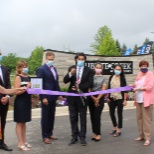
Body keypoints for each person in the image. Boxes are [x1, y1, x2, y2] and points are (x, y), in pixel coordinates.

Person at [63, 53, 93, 146]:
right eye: (79, 59)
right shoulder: (72, 68)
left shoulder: (89, 70)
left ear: (84, 60)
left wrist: (79, 87)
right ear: (76, 59)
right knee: (73, 117)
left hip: (82, 97)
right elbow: (65, 81)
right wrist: (70, 73)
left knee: (83, 118)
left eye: (82, 59)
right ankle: (74, 136)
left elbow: (90, 83)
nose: (80, 61)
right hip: (72, 97)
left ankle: (82, 137)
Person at [0, 54, 26, 152]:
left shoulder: (4, 69)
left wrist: (18, 89)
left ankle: (1, 142)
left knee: (2, 123)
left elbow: (4, 90)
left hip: (4, 101)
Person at [36, 51, 61, 144]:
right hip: (46, 97)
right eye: (49, 59)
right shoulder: (41, 69)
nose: (51, 61)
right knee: (45, 117)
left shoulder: (54, 68)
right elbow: (39, 85)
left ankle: (50, 133)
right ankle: (45, 136)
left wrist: (59, 94)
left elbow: (55, 82)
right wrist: (43, 97)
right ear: (46, 59)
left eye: (52, 59)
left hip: (53, 96)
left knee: (51, 116)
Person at [132, 60, 154, 146]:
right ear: (140, 67)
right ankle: (141, 135)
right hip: (138, 99)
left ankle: (147, 138)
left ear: (147, 67)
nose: (143, 67)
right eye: (142, 66)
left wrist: (139, 89)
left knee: (147, 120)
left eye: (145, 66)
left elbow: (149, 87)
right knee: (139, 119)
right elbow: (136, 84)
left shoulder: (150, 74)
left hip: (147, 100)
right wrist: (133, 86)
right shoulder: (139, 74)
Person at [14, 61, 32, 151]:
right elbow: (16, 92)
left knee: (24, 122)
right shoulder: (18, 77)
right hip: (20, 102)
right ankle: (20, 143)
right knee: (19, 122)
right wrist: (27, 88)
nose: (26, 68)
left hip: (27, 101)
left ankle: (24, 141)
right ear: (19, 68)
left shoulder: (28, 77)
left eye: (26, 66)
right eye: (24, 66)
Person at [106, 64, 127, 137]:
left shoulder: (122, 78)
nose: (118, 71)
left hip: (120, 98)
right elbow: (109, 87)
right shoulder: (111, 77)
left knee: (119, 113)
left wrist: (124, 100)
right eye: (116, 69)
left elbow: (125, 90)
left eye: (119, 69)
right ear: (114, 69)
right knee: (111, 113)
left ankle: (119, 129)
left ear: (121, 71)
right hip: (112, 97)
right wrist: (107, 96)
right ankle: (114, 127)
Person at [89, 62, 107, 142]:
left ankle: (98, 133)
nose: (98, 69)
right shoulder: (90, 77)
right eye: (97, 67)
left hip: (100, 98)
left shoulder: (103, 77)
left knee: (97, 116)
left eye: (100, 68)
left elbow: (103, 89)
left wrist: (97, 99)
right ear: (94, 68)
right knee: (92, 116)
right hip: (91, 97)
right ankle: (94, 133)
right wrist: (93, 98)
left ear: (102, 69)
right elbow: (88, 88)